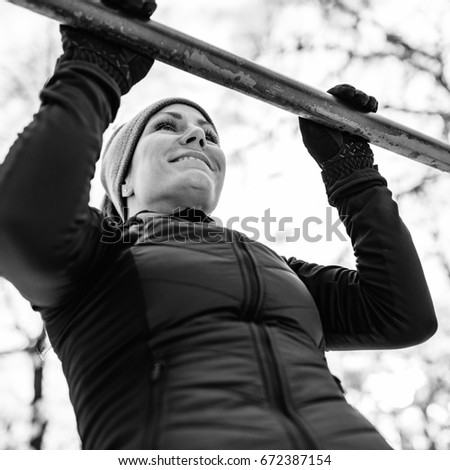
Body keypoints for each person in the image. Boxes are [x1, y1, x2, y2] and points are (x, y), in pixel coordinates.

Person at [0, 1, 437, 450]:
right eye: (167, 127)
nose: (198, 137)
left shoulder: (278, 268)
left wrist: (352, 174)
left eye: (210, 135)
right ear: (123, 181)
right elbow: (22, 222)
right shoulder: (97, 255)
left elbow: (402, 315)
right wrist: (94, 70)